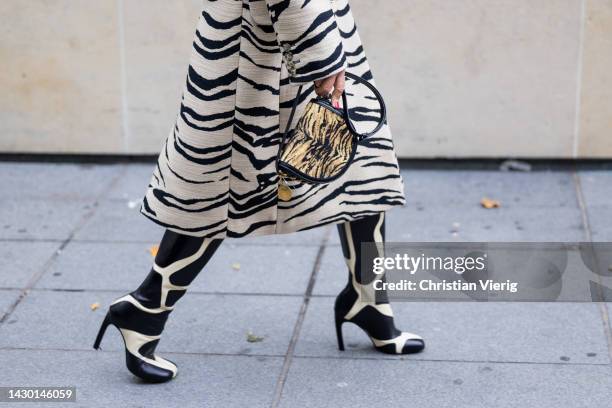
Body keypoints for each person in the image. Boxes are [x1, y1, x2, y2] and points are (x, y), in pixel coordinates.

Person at [94, 0, 424, 383]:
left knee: (362, 171)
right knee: (220, 191)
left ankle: (368, 299)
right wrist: (320, 53)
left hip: (309, 32)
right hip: (268, 49)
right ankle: (146, 307)